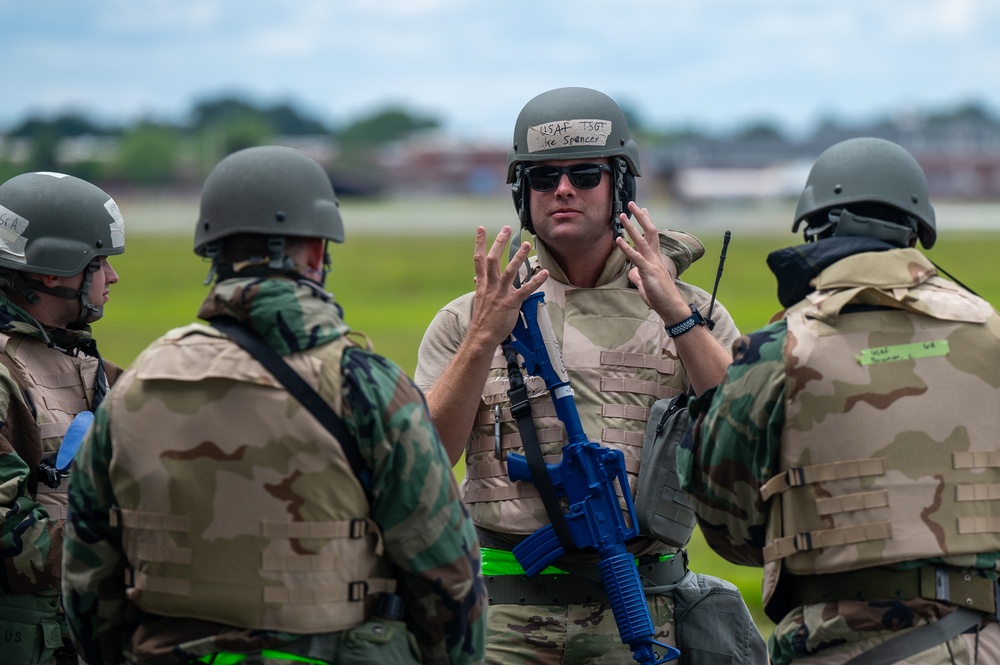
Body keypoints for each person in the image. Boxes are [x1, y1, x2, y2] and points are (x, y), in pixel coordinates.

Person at [62, 145, 487, 665]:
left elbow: (87, 584)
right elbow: (448, 578)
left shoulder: (134, 387)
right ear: (314, 251)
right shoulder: (368, 386)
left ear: (212, 252)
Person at [415, 86, 766, 663]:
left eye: (585, 173)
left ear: (620, 185)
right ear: (520, 193)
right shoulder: (469, 317)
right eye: (542, 178)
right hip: (505, 617)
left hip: (641, 604)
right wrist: (483, 338)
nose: (564, 190)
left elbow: (745, 434)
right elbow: (426, 462)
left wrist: (675, 314)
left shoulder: (690, 312)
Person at [679, 136, 1000, 664]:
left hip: (843, 645)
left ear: (815, 229)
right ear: (917, 230)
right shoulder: (989, 332)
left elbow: (727, 528)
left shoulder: (777, 350)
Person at [0, 171, 125, 665]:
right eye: (101, 264)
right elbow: (8, 539)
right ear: (54, 271)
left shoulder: (81, 364)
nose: (112, 278)